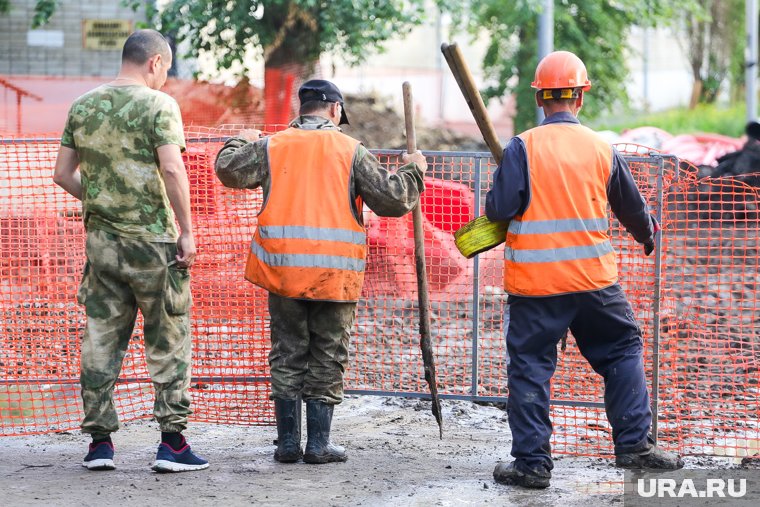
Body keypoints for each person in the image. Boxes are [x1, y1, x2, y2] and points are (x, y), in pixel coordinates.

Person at [485, 51, 683, 489]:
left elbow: (498, 209)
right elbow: (632, 208)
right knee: (621, 351)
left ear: (541, 99)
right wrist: (647, 234)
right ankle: (635, 445)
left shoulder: (522, 147)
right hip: (594, 282)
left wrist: (504, 180)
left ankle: (532, 465)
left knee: (530, 368)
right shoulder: (600, 147)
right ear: (580, 97)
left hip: (536, 286)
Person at [214, 79, 427, 464]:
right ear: (335, 111)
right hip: (335, 275)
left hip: (283, 273)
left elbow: (228, 170)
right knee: (327, 355)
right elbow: (393, 201)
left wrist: (239, 140)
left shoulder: (272, 146)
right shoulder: (351, 150)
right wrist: (413, 172)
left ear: (302, 110)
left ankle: (287, 444)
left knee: (287, 353)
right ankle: (318, 445)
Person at [52, 29, 208, 473]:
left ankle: (100, 444)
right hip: (154, 242)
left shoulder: (83, 106)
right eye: (166, 69)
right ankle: (172, 445)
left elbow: (62, 174)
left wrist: (101, 199)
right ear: (155, 62)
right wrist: (187, 230)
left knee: (100, 338)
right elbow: (173, 168)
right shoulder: (159, 105)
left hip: (103, 245)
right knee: (168, 337)